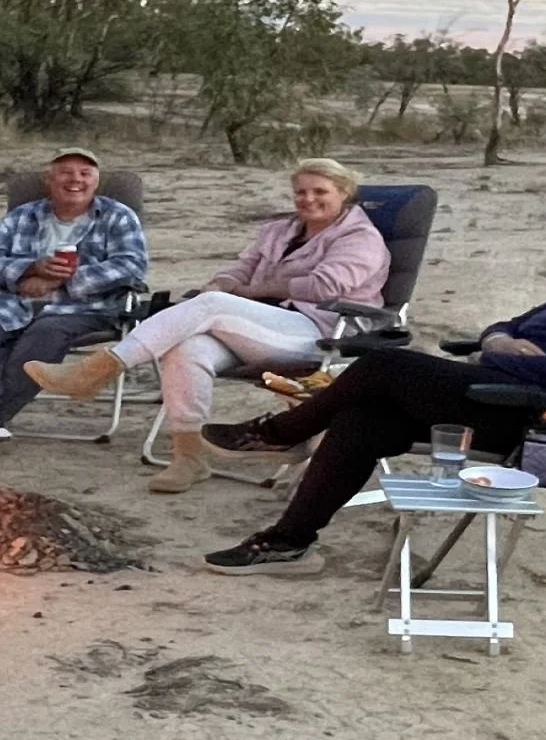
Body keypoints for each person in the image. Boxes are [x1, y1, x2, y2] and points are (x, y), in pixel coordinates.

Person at [195, 208, 546, 576]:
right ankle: (289, 542)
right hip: (508, 388)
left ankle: (279, 432)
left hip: (544, 415)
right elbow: (506, 325)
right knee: (363, 421)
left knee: (385, 364)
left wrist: (506, 359)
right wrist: (499, 341)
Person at [23, 158, 389, 492]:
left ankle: (95, 372)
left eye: (320, 192)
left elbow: (324, 287)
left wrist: (244, 292)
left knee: (211, 306)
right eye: (301, 192)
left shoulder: (361, 238)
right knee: (187, 346)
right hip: (253, 328)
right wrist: (222, 283)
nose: (308, 199)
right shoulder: (282, 230)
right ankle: (189, 457)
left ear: (344, 193)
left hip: (317, 332)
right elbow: (242, 267)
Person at [0, 147, 148, 449]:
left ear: (96, 181)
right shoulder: (23, 216)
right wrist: (28, 269)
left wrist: (63, 281)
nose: (75, 180)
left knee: (46, 331)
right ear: (49, 179)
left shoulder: (118, 216)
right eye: (66, 173)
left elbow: (131, 265)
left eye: (85, 174)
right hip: (15, 300)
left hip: (85, 306)